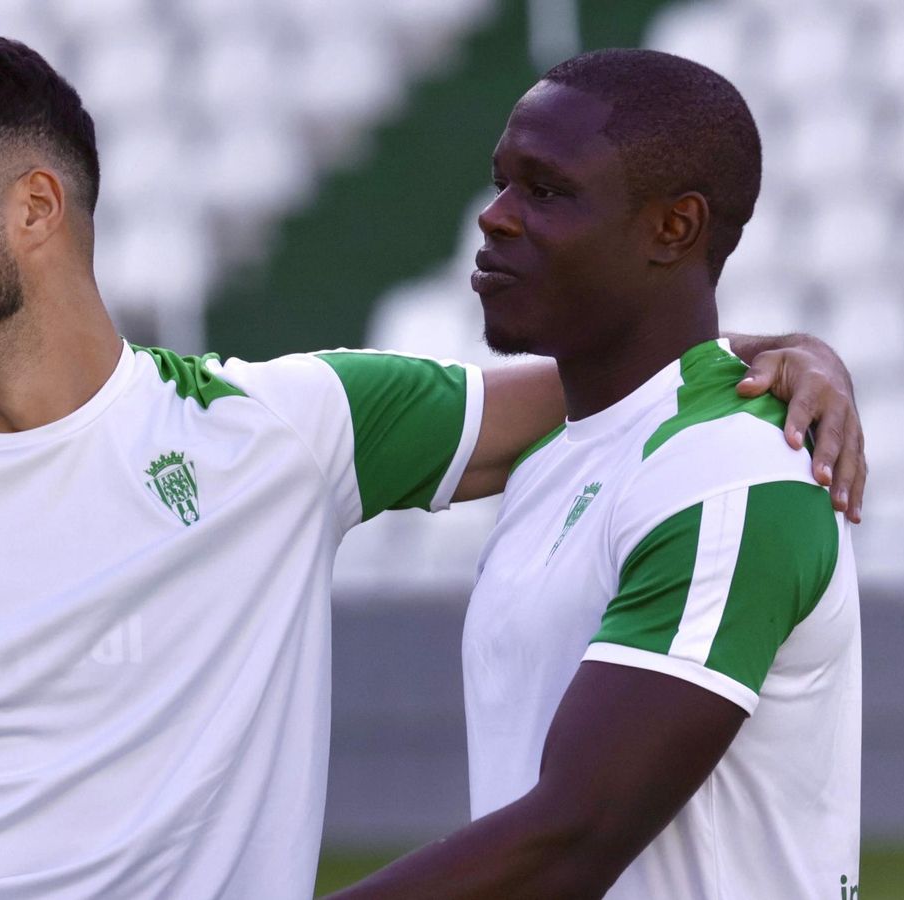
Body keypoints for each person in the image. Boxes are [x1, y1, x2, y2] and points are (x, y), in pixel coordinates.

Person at [0, 34, 864, 900]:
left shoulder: (286, 429)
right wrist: (770, 355)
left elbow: (620, 387)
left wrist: (794, 358)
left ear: (36, 208)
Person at [331, 49, 860, 899]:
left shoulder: (733, 471)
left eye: (545, 191)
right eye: (501, 182)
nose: (494, 218)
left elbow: (574, 837)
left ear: (673, 228)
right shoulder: (560, 449)